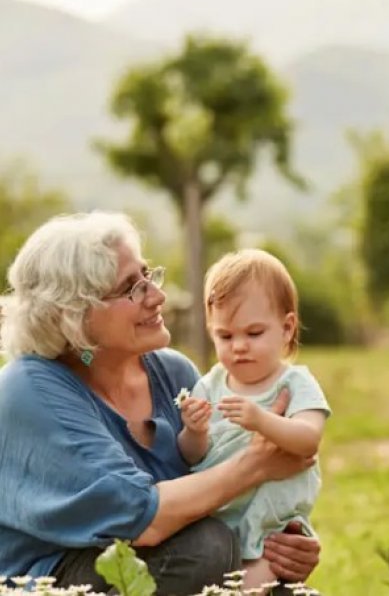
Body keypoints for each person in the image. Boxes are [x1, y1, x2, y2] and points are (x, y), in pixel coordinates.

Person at [0, 212, 320, 593]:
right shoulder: (30, 390)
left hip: (168, 559)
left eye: (148, 275)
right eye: (131, 288)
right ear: (75, 314)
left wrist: (283, 542)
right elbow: (142, 520)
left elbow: (214, 492)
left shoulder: (174, 374)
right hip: (58, 577)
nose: (157, 296)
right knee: (207, 548)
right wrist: (256, 464)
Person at [178, 249, 330, 591]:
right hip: (217, 515)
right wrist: (194, 430)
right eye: (226, 336)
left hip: (271, 524)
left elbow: (308, 439)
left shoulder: (294, 383)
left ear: (286, 328)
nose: (239, 347)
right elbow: (192, 456)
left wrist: (262, 420)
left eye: (254, 333)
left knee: (248, 587)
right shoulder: (210, 384)